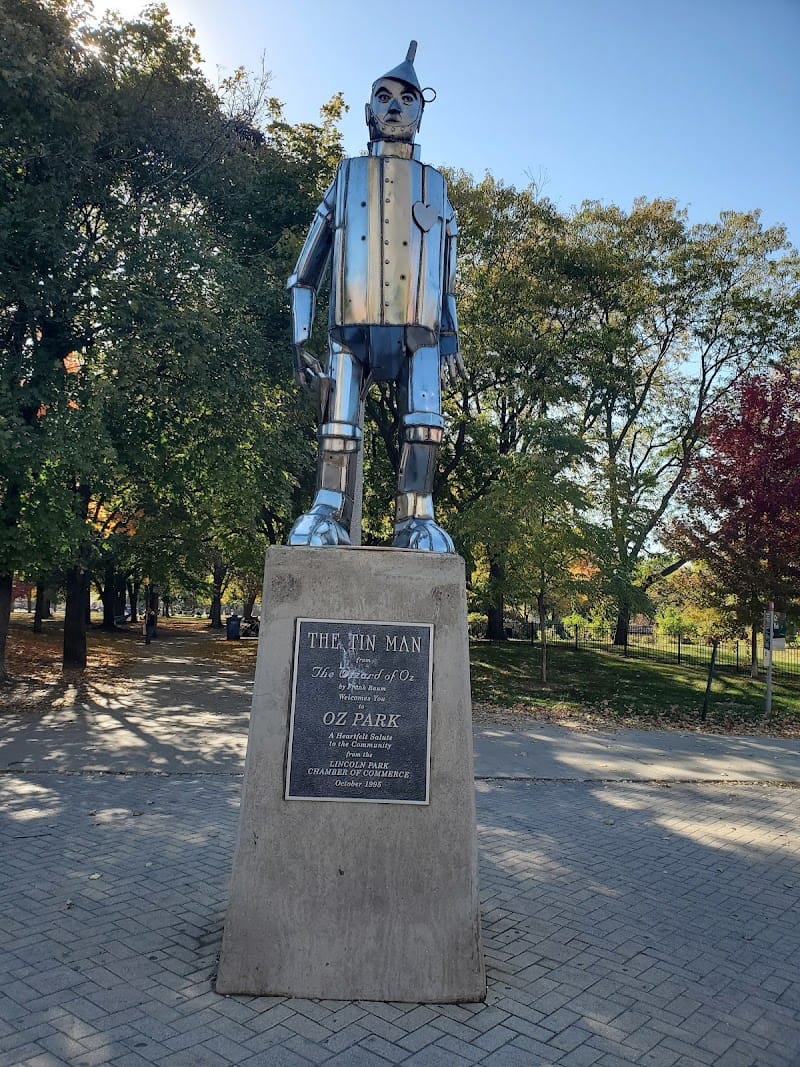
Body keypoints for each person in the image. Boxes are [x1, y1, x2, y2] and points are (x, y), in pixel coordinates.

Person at [287, 41, 463, 552]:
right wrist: (299, 342)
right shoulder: (346, 178)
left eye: (407, 99)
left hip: (420, 328)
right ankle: (327, 507)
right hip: (351, 324)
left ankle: (417, 515)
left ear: (421, 113)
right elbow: (305, 270)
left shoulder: (436, 189)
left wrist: (450, 338)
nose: (394, 107)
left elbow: (446, 277)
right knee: (338, 425)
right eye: (384, 97)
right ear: (368, 109)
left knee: (425, 424)